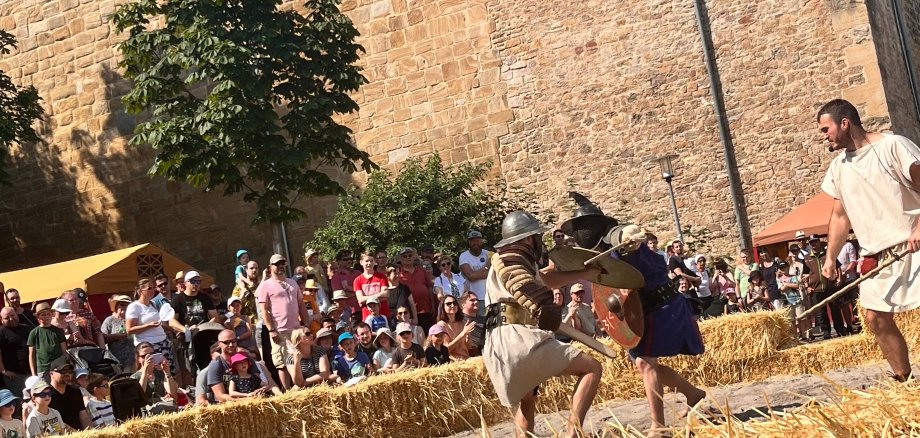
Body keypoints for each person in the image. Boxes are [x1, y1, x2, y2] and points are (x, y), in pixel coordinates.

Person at [560, 195, 707, 435]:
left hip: (662, 305)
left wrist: (631, 234)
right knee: (644, 363)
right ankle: (693, 393)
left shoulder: (617, 238)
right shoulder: (602, 251)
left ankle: (658, 426)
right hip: (641, 310)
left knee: (644, 362)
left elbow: (626, 234)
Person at [818, 98, 920, 381]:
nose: (824, 136)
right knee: (875, 317)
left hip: (914, 245)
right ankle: (903, 378)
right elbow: (840, 217)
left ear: (845, 123)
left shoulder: (893, 146)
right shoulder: (838, 168)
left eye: (826, 129)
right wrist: (830, 258)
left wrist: (919, 227)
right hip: (878, 255)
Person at [485, 209, 604, 438]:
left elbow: (547, 280)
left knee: (527, 401)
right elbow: (522, 283)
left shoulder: (514, 262)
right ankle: (573, 432)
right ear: (529, 239)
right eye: (537, 237)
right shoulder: (510, 258)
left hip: (499, 343)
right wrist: (544, 305)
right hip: (518, 338)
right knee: (592, 368)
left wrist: (585, 273)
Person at [257, 254, 310, 390]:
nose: (280, 266)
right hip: (278, 329)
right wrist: (271, 329)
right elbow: (264, 309)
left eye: (283, 263)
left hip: (296, 329)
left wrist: (306, 323)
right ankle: (286, 391)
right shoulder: (265, 285)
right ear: (270, 267)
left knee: (298, 358)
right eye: (277, 263)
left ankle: (299, 387)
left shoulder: (292, 283)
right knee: (281, 363)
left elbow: (301, 304)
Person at [125, 279, 175, 376]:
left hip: (163, 342)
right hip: (149, 346)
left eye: (154, 288)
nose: (153, 290)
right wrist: (148, 325)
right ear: (140, 291)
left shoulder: (154, 304)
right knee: (155, 374)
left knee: (169, 372)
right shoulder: (134, 306)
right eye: (149, 288)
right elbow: (129, 330)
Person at [131, 342, 178, 415]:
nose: (149, 357)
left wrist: (167, 372)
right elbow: (139, 396)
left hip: (163, 410)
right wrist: (145, 370)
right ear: (138, 359)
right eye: (144, 356)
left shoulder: (159, 373)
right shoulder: (135, 377)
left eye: (152, 354)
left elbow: (173, 394)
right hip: (146, 413)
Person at [397, 248, 435, 333]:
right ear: (401, 258)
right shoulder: (399, 274)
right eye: (405, 256)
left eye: (410, 255)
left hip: (425, 310)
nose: (408, 258)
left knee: (428, 335)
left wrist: (432, 303)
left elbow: (429, 286)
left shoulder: (421, 270)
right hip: (408, 313)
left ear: (414, 257)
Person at [45, 356, 90, 431]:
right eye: (62, 371)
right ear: (51, 374)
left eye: (70, 371)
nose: (67, 374)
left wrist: (91, 433)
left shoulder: (75, 391)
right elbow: (49, 421)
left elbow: (83, 415)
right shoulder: (45, 394)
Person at [27, 302, 67, 376]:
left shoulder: (58, 331)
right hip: (43, 369)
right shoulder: (34, 333)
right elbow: (31, 355)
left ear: (52, 315)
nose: (46, 317)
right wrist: (33, 373)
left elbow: (64, 351)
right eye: (43, 315)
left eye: (48, 314)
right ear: (38, 317)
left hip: (58, 368)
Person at [1, 307, 31, 405]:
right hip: (14, 376)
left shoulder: (27, 328)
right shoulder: (1, 332)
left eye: (12, 315)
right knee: (19, 404)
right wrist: (3, 370)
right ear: (1, 320)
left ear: (17, 315)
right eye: (7, 317)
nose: (11, 319)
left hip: (30, 373)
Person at [100, 295, 135, 373]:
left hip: (134, 358)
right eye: (122, 305)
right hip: (116, 358)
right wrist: (117, 336)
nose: (125, 307)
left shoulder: (133, 319)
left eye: (127, 305)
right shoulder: (110, 320)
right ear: (116, 306)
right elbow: (102, 337)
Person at [459, 231, 490, 314]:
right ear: (469, 242)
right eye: (472, 241)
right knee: (477, 324)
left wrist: (475, 273)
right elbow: (470, 276)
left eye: (477, 240)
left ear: (481, 241)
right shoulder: (464, 256)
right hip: (473, 298)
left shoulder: (488, 254)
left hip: (490, 297)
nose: (475, 243)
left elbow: (493, 272)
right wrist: (486, 268)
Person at [354, 252, 391, 320]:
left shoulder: (382, 277)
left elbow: (386, 295)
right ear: (361, 262)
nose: (369, 263)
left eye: (371, 261)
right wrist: (380, 295)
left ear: (375, 262)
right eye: (367, 261)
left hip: (383, 315)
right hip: (367, 317)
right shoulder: (357, 280)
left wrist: (366, 299)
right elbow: (360, 299)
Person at [435, 295, 473, 361]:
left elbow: (469, 347)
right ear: (443, 307)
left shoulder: (462, 323)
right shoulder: (441, 325)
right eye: (448, 304)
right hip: (452, 361)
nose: (452, 305)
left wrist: (468, 336)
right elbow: (446, 350)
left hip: (466, 359)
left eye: (455, 303)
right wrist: (463, 334)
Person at [459, 291, 485, 357]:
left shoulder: (484, 320)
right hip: (465, 355)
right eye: (472, 300)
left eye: (477, 300)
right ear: (463, 304)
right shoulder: (458, 320)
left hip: (484, 353)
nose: (476, 302)